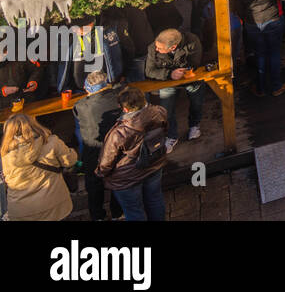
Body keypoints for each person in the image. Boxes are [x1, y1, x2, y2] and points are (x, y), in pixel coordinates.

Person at [96, 86, 169, 221]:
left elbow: (107, 160)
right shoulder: (159, 112)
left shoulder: (119, 133)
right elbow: (165, 130)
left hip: (128, 178)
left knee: (134, 210)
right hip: (154, 165)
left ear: (125, 109)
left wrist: (101, 173)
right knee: (155, 199)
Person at [0, 113, 78, 221]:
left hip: (21, 212)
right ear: (34, 125)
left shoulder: (5, 155)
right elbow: (70, 161)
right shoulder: (52, 142)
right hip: (54, 205)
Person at [145, 27, 207, 150]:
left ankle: (194, 125)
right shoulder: (153, 47)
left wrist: (183, 72)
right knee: (166, 109)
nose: (156, 49)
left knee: (197, 102)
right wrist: (169, 74)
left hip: (189, 78)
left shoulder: (192, 42)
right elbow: (149, 71)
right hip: (168, 80)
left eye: (160, 49)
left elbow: (195, 63)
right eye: (157, 47)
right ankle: (171, 136)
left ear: (173, 47)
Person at [75, 70, 124, 221]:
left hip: (94, 151)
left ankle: (98, 216)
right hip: (116, 148)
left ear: (87, 88)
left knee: (94, 185)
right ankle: (117, 213)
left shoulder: (80, 106)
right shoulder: (119, 97)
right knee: (117, 181)